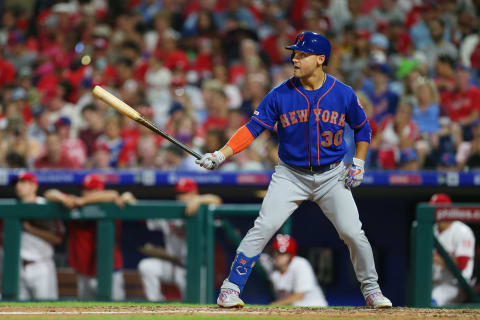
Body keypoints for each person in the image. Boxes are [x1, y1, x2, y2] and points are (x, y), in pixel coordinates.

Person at [195, 31, 392, 309]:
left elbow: (363, 128)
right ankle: (230, 289)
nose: (295, 59)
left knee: (352, 232)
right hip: (291, 174)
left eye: (302, 54)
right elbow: (253, 129)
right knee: (263, 227)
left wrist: (358, 163)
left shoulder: (343, 93)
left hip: (332, 175)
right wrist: (220, 154)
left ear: (320, 59)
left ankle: (372, 291)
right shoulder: (281, 94)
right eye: (294, 54)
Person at [44, 173, 136, 300]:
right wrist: (64, 199)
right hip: (84, 272)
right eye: (84, 190)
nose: (85, 193)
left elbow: (113, 194)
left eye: (89, 190)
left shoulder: (112, 204)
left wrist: (83, 201)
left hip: (110, 271)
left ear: (99, 190)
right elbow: (50, 193)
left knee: (116, 311)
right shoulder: (75, 204)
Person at [138, 177, 221, 301]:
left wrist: (199, 200)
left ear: (194, 193)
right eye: (179, 194)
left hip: (196, 269)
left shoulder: (203, 210)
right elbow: (142, 214)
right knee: (146, 266)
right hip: (173, 265)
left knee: (198, 305)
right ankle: (155, 305)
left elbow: (217, 201)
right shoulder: (170, 213)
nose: (182, 197)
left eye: (186, 193)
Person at [15, 172, 64, 300]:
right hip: (19, 267)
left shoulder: (44, 206)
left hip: (41, 266)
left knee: (46, 312)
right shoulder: (14, 207)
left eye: (24, 182)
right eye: (18, 182)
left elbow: (58, 238)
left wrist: (31, 229)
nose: (19, 186)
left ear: (34, 186)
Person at [429, 193, 476, 306]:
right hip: (434, 284)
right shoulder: (432, 230)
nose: (433, 212)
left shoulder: (462, 230)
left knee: (433, 300)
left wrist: (435, 258)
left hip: (457, 285)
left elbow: (461, 264)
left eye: (436, 208)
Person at [259, 234, 328, 306]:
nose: (277, 256)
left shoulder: (300, 264)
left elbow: (299, 295)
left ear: (290, 255)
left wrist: (274, 305)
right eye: (275, 252)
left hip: (314, 307)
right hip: (290, 310)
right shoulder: (270, 264)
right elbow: (256, 256)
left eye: (282, 253)